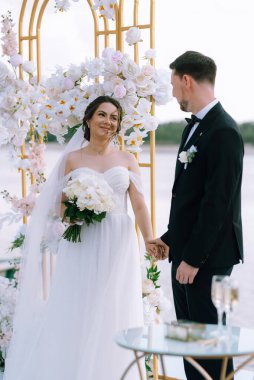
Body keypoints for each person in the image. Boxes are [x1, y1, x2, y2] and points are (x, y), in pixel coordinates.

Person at [4, 96, 153, 380]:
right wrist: (78, 212)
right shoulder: (72, 159)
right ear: (88, 119)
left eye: (114, 118)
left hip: (119, 241)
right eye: (102, 115)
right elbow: (58, 206)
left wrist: (149, 239)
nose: (108, 122)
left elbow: (139, 204)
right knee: (79, 306)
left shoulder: (127, 159)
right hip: (83, 239)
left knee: (114, 308)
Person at [147, 51, 244, 379]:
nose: (173, 93)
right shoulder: (196, 130)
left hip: (208, 258)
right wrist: (170, 240)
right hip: (186, 253)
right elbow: (190, 198)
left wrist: (194, 259)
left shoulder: (224, 131)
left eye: (174, 85)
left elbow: (218, 204)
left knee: (211, 343)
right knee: (190, 341)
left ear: (187, 80)